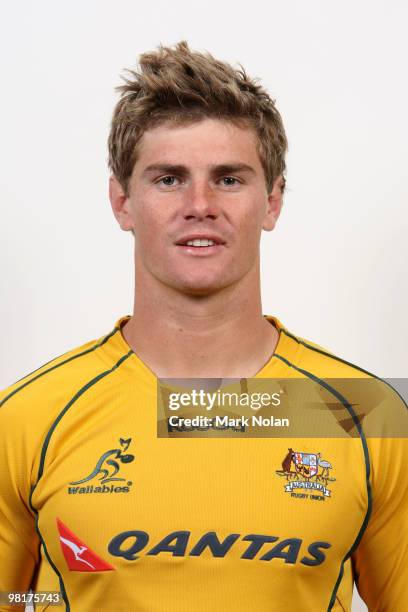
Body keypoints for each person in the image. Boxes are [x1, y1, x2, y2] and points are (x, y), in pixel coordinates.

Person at [0, 40, 406, 612]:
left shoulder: (365, 413)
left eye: (229, 179)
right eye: (168, 179)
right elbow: (10, 599)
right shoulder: (28, 418)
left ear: (272, 201)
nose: (200, 204)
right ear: (122, 202)